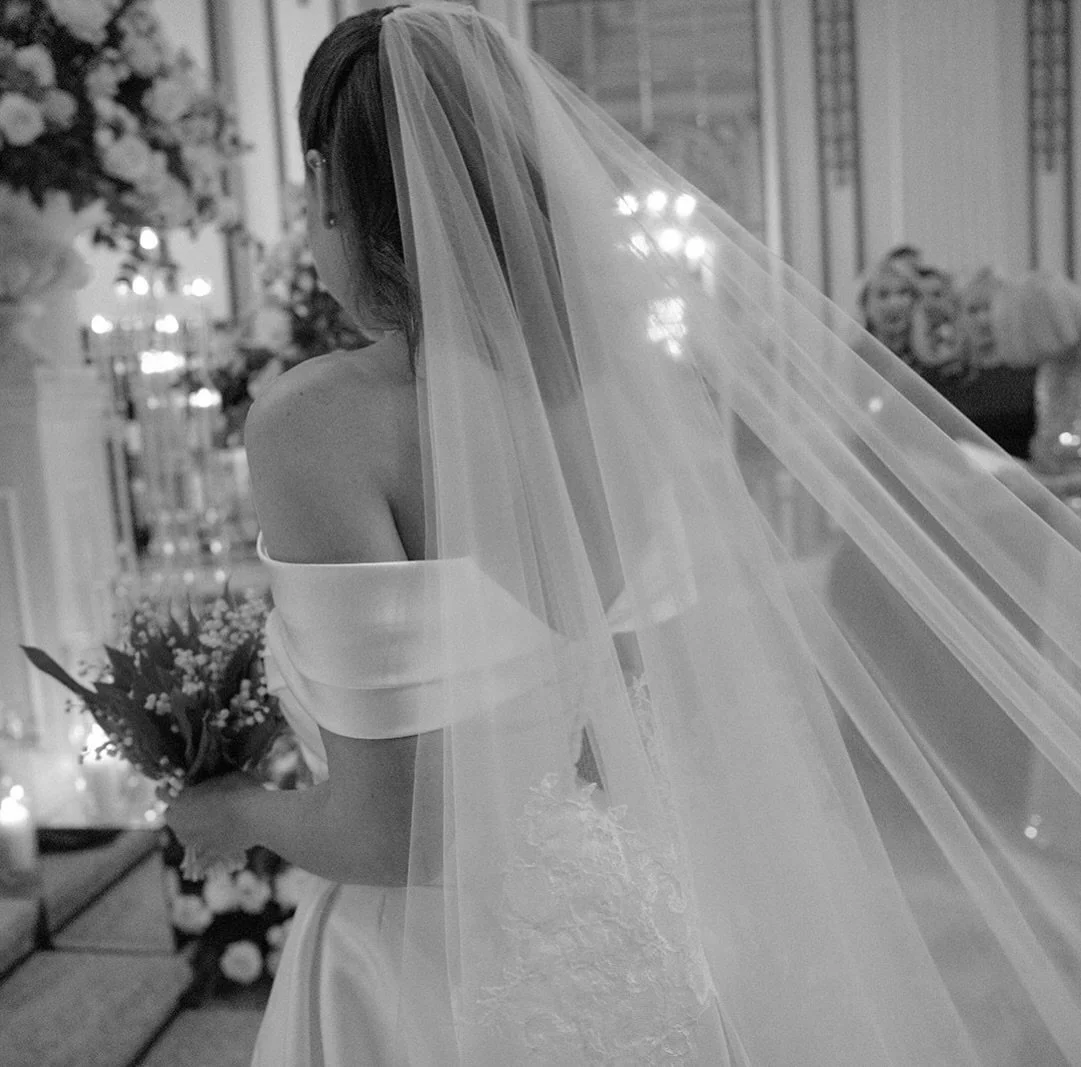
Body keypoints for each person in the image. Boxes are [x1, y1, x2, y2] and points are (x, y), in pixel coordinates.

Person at [165, 6, 1081, 1064]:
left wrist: (237, 812)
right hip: (652, 936)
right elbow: (629, 731)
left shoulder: (315, 422)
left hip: (434, 977)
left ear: (329, 183)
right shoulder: (638, 396)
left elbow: (395, 833)